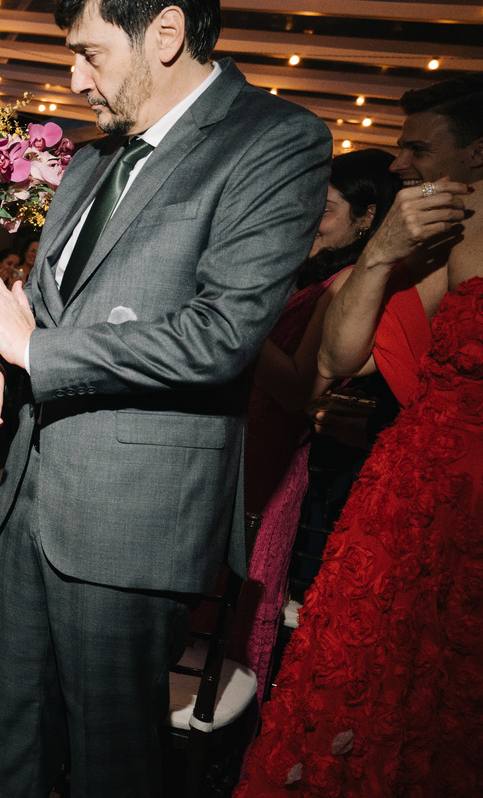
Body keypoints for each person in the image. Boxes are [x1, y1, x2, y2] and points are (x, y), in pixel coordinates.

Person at [0, 0, 332, 794]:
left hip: (134, 517)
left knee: (112, 767)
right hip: (30, 500)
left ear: (165, 34)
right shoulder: (90, 160)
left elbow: (220, 334)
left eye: (91, 54)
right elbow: (42, 311)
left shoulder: (276, 141)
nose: (74, 78)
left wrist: (31, 352)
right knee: (11, 746)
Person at [237, 73, 483, 798]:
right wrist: (379, 254)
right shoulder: (442, 235)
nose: (398, 161)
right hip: (417, 486)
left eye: (419, 148)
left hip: (458, 496)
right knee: (376, 679)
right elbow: (340, 361)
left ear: (478, 152)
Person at [235, 148, 400, 702]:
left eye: (326, 208)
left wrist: (232, 326)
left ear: (367, 217)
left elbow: (296, 389)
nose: (312, 218)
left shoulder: (350, 282)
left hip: (272, 461)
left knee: (235, 613)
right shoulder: (318, 273)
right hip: (251, 451)